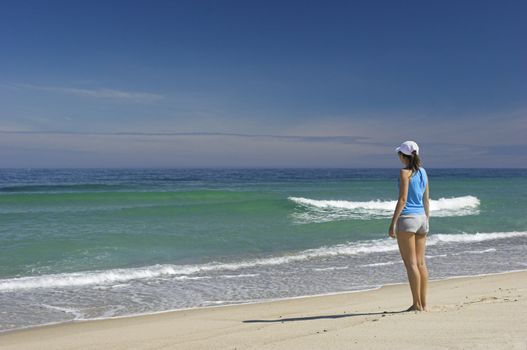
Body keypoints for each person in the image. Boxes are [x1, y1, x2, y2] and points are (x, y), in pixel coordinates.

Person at [389, 141, 430, 312]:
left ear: (402, 156)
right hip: (421, 218)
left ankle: (416, 304)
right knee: (421, 264)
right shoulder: (423, 172)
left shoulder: (404, 173)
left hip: (407, 219)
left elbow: (403, 199)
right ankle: (424, 304)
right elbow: (426, 199)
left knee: (411, 264)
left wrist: (392, 223)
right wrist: (426, 219)